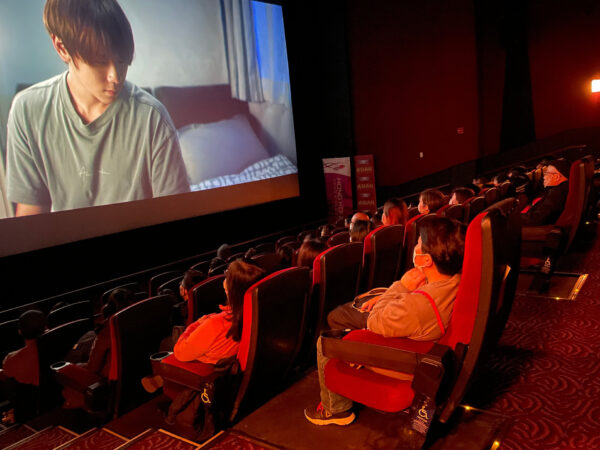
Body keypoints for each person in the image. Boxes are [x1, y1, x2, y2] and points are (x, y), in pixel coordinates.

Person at [6, 0, 189, 216]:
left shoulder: (152, 117)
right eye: (101, 61)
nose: (115, 77)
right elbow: (31, 218)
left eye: (122, 62)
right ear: (62, 48)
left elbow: (175, 216)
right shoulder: (27, 110)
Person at [306, 216, 464, 425]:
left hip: (404, 358)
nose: (415, 246)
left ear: (427, 260)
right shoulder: (454, 278)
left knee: (325, 341)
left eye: (418, 243)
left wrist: (401, 286)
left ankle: (335, 409)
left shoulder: (417, 306)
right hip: (417, 334)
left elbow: (375, 321)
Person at [142, 260, 266, 392]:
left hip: (206, 367)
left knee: (167, 344)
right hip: (223, 360)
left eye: (227, 274)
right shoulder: (255, 312)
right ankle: (161, 379)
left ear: (231, 288)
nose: (224, 276)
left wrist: (197, 324)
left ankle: (164, 379)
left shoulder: (215, 323)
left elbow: (181, 353)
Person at [521, 159, 569, 226]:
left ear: (556, 177)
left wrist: (515, 218)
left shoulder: (556, 193)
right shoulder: (554, 191)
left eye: (546, 174)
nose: (543, 177)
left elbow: (536, 219)